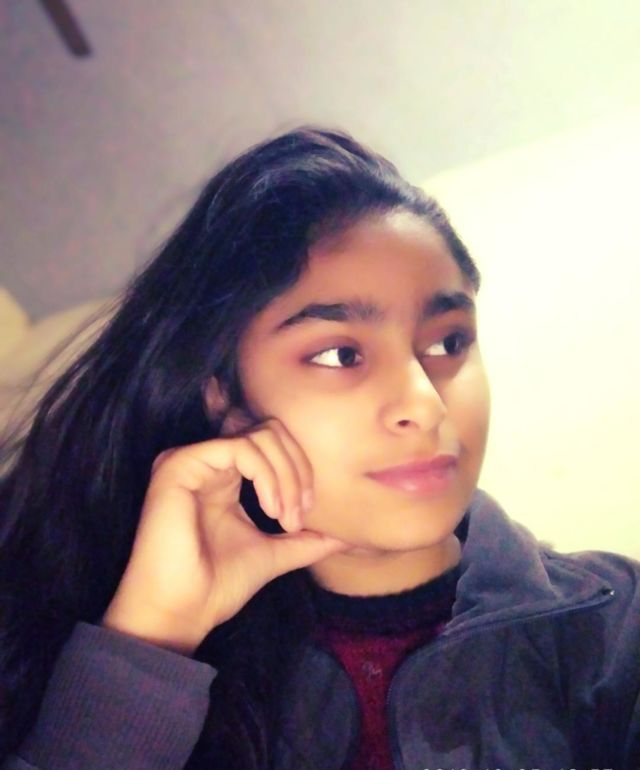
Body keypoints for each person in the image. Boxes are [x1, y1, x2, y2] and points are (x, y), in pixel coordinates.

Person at [0, 127, 638, 770]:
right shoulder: (124, 640)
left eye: (449, 342)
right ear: (225, 394)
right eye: (340, 355)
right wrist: (155, 633)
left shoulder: (616, 627)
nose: (425, 404)